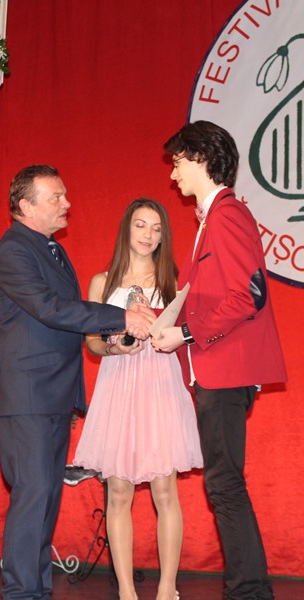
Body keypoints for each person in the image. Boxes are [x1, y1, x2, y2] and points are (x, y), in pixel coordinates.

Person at [0, 164, 156, 600]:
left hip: (53, 394)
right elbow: (51, 308)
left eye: (65, 195)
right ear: (26, 206)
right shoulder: (13, 251)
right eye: (56, 197)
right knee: (34, 495)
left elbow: (68, 316)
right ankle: (21, 593)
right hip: (27, 395)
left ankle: (36, 591)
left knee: (45, 499)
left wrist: (112, 337)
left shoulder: (51, 250)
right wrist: (122, 318)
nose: (67, 203)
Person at [152, 121, 287, 600]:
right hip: (217, 369)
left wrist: (185, 333)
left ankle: (249, 591)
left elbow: (250, 293)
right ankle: (249, 589)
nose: (173, 175)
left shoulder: (227, 215)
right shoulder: (214, 219)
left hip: (225, 369)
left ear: (202, 159)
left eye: (178, 163)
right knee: (224, 483)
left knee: (224, 484)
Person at [72, 198, 203, 600]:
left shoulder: (174, 281)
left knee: (165, 491)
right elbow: (92, 344)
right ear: (126, 228)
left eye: (157, 228)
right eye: (141, 225)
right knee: (118, 492)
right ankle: (126, 591)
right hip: (118, 387)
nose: (148, 235)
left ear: (164, 236)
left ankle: (167, 589)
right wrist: (116, 348)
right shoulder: (102, 282)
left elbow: (188, 334)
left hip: (160, 386)